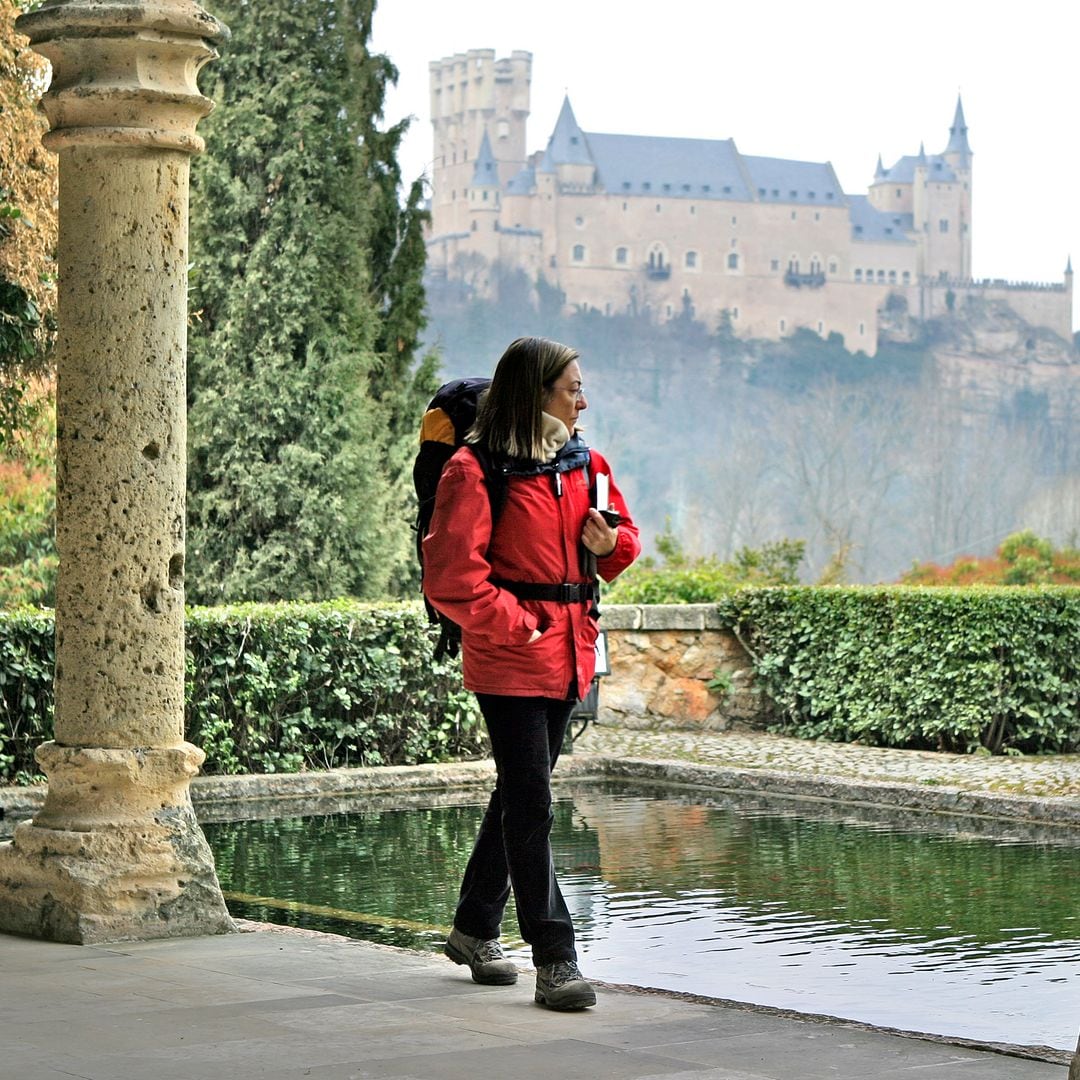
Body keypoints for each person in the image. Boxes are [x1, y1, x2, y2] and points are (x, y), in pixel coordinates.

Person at [422, 336, 640, 1011]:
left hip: (570, 653)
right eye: (571, 387)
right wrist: (522, 625)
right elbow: (452, 580)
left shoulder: (586, 464)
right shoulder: (472, 470)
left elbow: (622, 539)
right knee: (534, 803)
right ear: (536, 392)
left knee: (523, 794)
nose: (582, 399)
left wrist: (613, 545)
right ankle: (556, 957)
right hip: (512, 657)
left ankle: (474, 926)